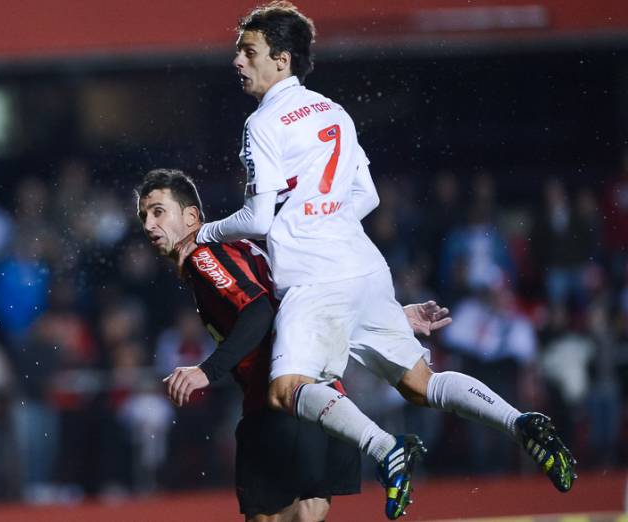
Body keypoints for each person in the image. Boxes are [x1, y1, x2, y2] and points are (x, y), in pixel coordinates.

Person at [174, 2, 576, 518]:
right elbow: (367, 197)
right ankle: (520, 422)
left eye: (248, 51)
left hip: (316, 277)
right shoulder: (331, 110)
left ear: (281, 59)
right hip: (364, 266)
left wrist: (203, 231)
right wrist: (322, 215)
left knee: (285, 390)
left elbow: (256, 218)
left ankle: (386, 449)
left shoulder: (262, 123)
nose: (237, 61)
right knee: (421, 383)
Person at [137, 169, 450, 521]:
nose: (149, 224)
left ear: (192, 216)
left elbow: (258, 310)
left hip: (278, 406)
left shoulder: (204, 256)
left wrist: (206, 371)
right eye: (144, 216)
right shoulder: (250, 248)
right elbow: (310, 296)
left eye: (159, 211)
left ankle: (386, 447)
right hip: (328, 401)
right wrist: (383, 316)